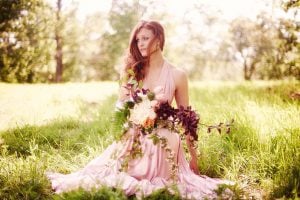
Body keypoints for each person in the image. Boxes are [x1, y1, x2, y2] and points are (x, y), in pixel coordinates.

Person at [46, 20, 232, 199]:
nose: (140, 43)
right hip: (135, 133)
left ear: (158, 40)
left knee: (161, 140)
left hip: (164, 136)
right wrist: (123, 100)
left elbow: (187, 119)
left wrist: (193, 159)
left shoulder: (177, 75)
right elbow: (120, 113)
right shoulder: (133, 72)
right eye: (137, 40)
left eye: (145, 38)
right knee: (116, 159)